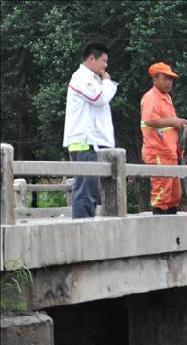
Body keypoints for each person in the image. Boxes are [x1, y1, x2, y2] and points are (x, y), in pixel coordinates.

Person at [63, 41, 117, 219]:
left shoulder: (92, 79)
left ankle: (87, 228)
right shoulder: (81, 77)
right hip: (84, 143)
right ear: (91, 58)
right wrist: (108, 82)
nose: (106, 65)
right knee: (85, 191)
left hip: (93, 142)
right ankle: (81, 232)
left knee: (91, 191)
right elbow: (99, 98)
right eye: (104, 60)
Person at [140, 62, 187, 214]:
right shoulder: (150, 97)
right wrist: (174, 121)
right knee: (162, 192)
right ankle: (158, 226)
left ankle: (172, 226)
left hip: (169, 152)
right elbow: (149, 120)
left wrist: (179, 123)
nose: (169, 82)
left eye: (171, 79)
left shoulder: (166, 97)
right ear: (155, 79)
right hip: (158, 151)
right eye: (166, 78)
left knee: (174, 194)